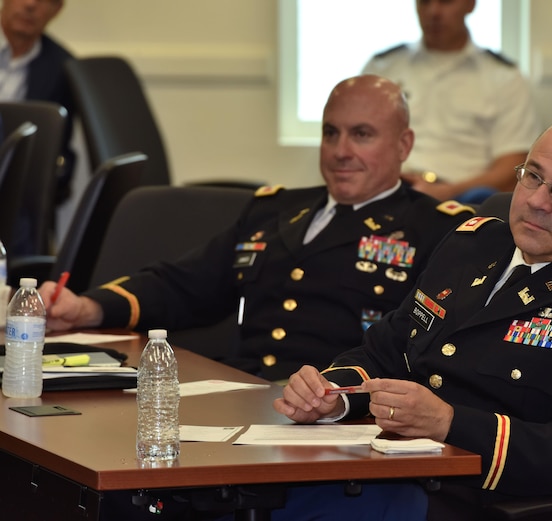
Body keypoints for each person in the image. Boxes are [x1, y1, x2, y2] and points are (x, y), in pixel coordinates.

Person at [273, 116, 552, 520]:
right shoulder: (471, 244)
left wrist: (449, 422)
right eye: (532, 176)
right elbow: (385, 351)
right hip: (385, 468)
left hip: (478, 499)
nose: (537, 200)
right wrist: (329, 395)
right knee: (245, 494)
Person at [40, 74, 475, 384]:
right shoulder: (276, 209)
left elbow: (423, 351)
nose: (341, 151)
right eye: (330, 133)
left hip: (338, 415)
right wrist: (89, 307)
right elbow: (187, 284)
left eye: (362, 135)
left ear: (404, 145)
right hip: (237, 393)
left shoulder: (435, 229)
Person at [362, 0, 540, 204]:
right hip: (387, 191)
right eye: (424, 2)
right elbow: (354, 140)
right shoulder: (383, 67)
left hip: (463, 200)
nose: (434, 12)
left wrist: (449, 192)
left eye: (446, 2)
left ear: (471, 4)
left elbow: (512, 165)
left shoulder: (504, 77)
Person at [0, 0, 76, 204]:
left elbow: (60, 148)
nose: (31, 4)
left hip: (17, 189)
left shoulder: (63, 68)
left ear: (57, 9)